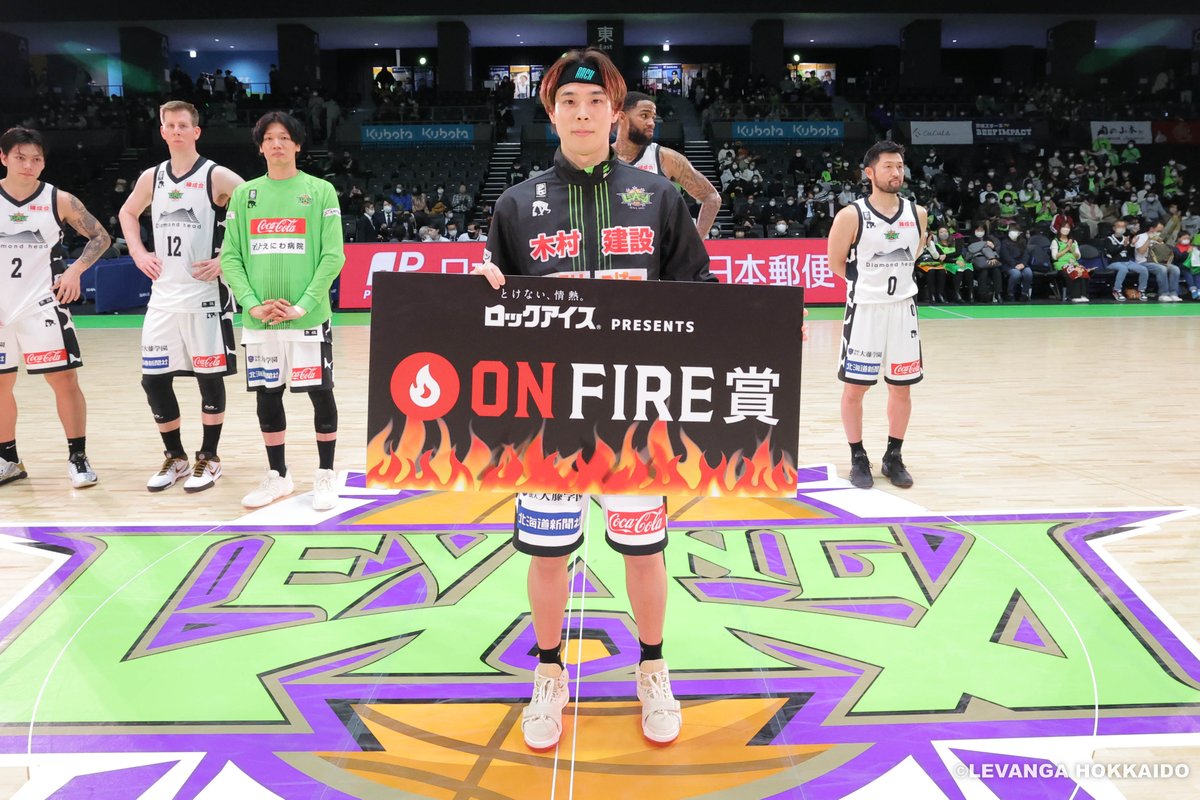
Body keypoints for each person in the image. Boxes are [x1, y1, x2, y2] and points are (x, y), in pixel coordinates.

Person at [470, 48, 713, 754]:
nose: (582, 114)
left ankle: (653, 667)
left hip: (636, 415)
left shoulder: (658, 197)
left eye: (596, 103)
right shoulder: (517, 205)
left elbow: (699, 297)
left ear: (615, 115)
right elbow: (492, 315)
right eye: (569, 103)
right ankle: (549, 673)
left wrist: (763, 329)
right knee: (549, 555)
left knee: (644, 550)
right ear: (551, 114)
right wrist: (480, 295)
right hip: (550, 416)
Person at [219, 111, 345, 510]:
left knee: (320, 394)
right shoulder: (244, 195)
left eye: (284, 137)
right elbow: (230, 257)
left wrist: (303, 304)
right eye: (269, 138)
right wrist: (253, 304)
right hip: (260, 321)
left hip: (308, 318)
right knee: (268, 397)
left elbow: (333, 256)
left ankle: (325, 474)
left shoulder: (320, 191)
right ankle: (278, 476)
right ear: (260, 147)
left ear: (297, 145)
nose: (277, 144)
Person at [118, 101, 245, 493]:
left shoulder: (215, 174)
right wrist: (138, 252)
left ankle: (210, 457)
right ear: (162, 131)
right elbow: (127, 214)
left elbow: (255, 208)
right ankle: (175, 457)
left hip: (205, 294)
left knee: (209, 379)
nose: (176, 131)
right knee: (153, 381)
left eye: (183, 125)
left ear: (196, 131)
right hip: (163, 296)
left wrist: (227, 257)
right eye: (169, 125)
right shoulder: (152, 177)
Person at [0, 126, 111, 488]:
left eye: (36, 159)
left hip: (42, 305)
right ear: (3, 158)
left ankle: (78, 457)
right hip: (1, 310)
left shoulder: (58, 199)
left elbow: (100, 236)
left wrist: (76, 270)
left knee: (64, 380)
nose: (28, 165)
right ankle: (8, 460)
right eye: (20, 157)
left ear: (44, 162)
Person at [827, 140, 926, 491]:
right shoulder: (851, 215)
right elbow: (836, 263)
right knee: (855, 388)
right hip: (865, 311)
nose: (896, 172)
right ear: (869, 173)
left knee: (901, 389)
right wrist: (869, 285)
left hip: (903, 311)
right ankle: (858, 456)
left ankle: (893, 456)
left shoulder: (918, 213)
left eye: (899, 166)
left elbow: (914, 255)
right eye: (888, 166)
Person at [614, 91, 722, 239]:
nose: (652, 123)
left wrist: (695, 243)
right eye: (644, 116)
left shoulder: (665, 158)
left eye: (653, 117)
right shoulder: (599, 158)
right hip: (615, 246)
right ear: (621, 117)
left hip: (655, 249)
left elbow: (712, 197)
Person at [1103, 220, 1148, 302]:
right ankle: (1117, 290)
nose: (1121, 228)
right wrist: (1123, 245)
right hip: (1114, 262)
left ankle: (1141, 290)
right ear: (1114, 228)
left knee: (1143, 269)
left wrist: (1132, 244)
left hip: (1127, 262)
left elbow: (1130, 253)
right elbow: (1112, 252)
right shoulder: (1108, 239)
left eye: (1123, 227)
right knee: (1123, 269)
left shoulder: (1126, 238)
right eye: (1119, 226)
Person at [1051, 224, 1089, 302]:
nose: (1066, 229)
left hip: (1074, 263)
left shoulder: (1074, 242)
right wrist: (1067, 248)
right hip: (1061, 264)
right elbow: (1055, 257)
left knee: (1083, 271)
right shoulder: (1055, 241)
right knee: (1072, 271)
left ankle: (1083, 295)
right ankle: (1075, 296)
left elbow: (1078, 257)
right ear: (1060, 229)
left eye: (1068, 227)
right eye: (1064, 227)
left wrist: (1071, 250)